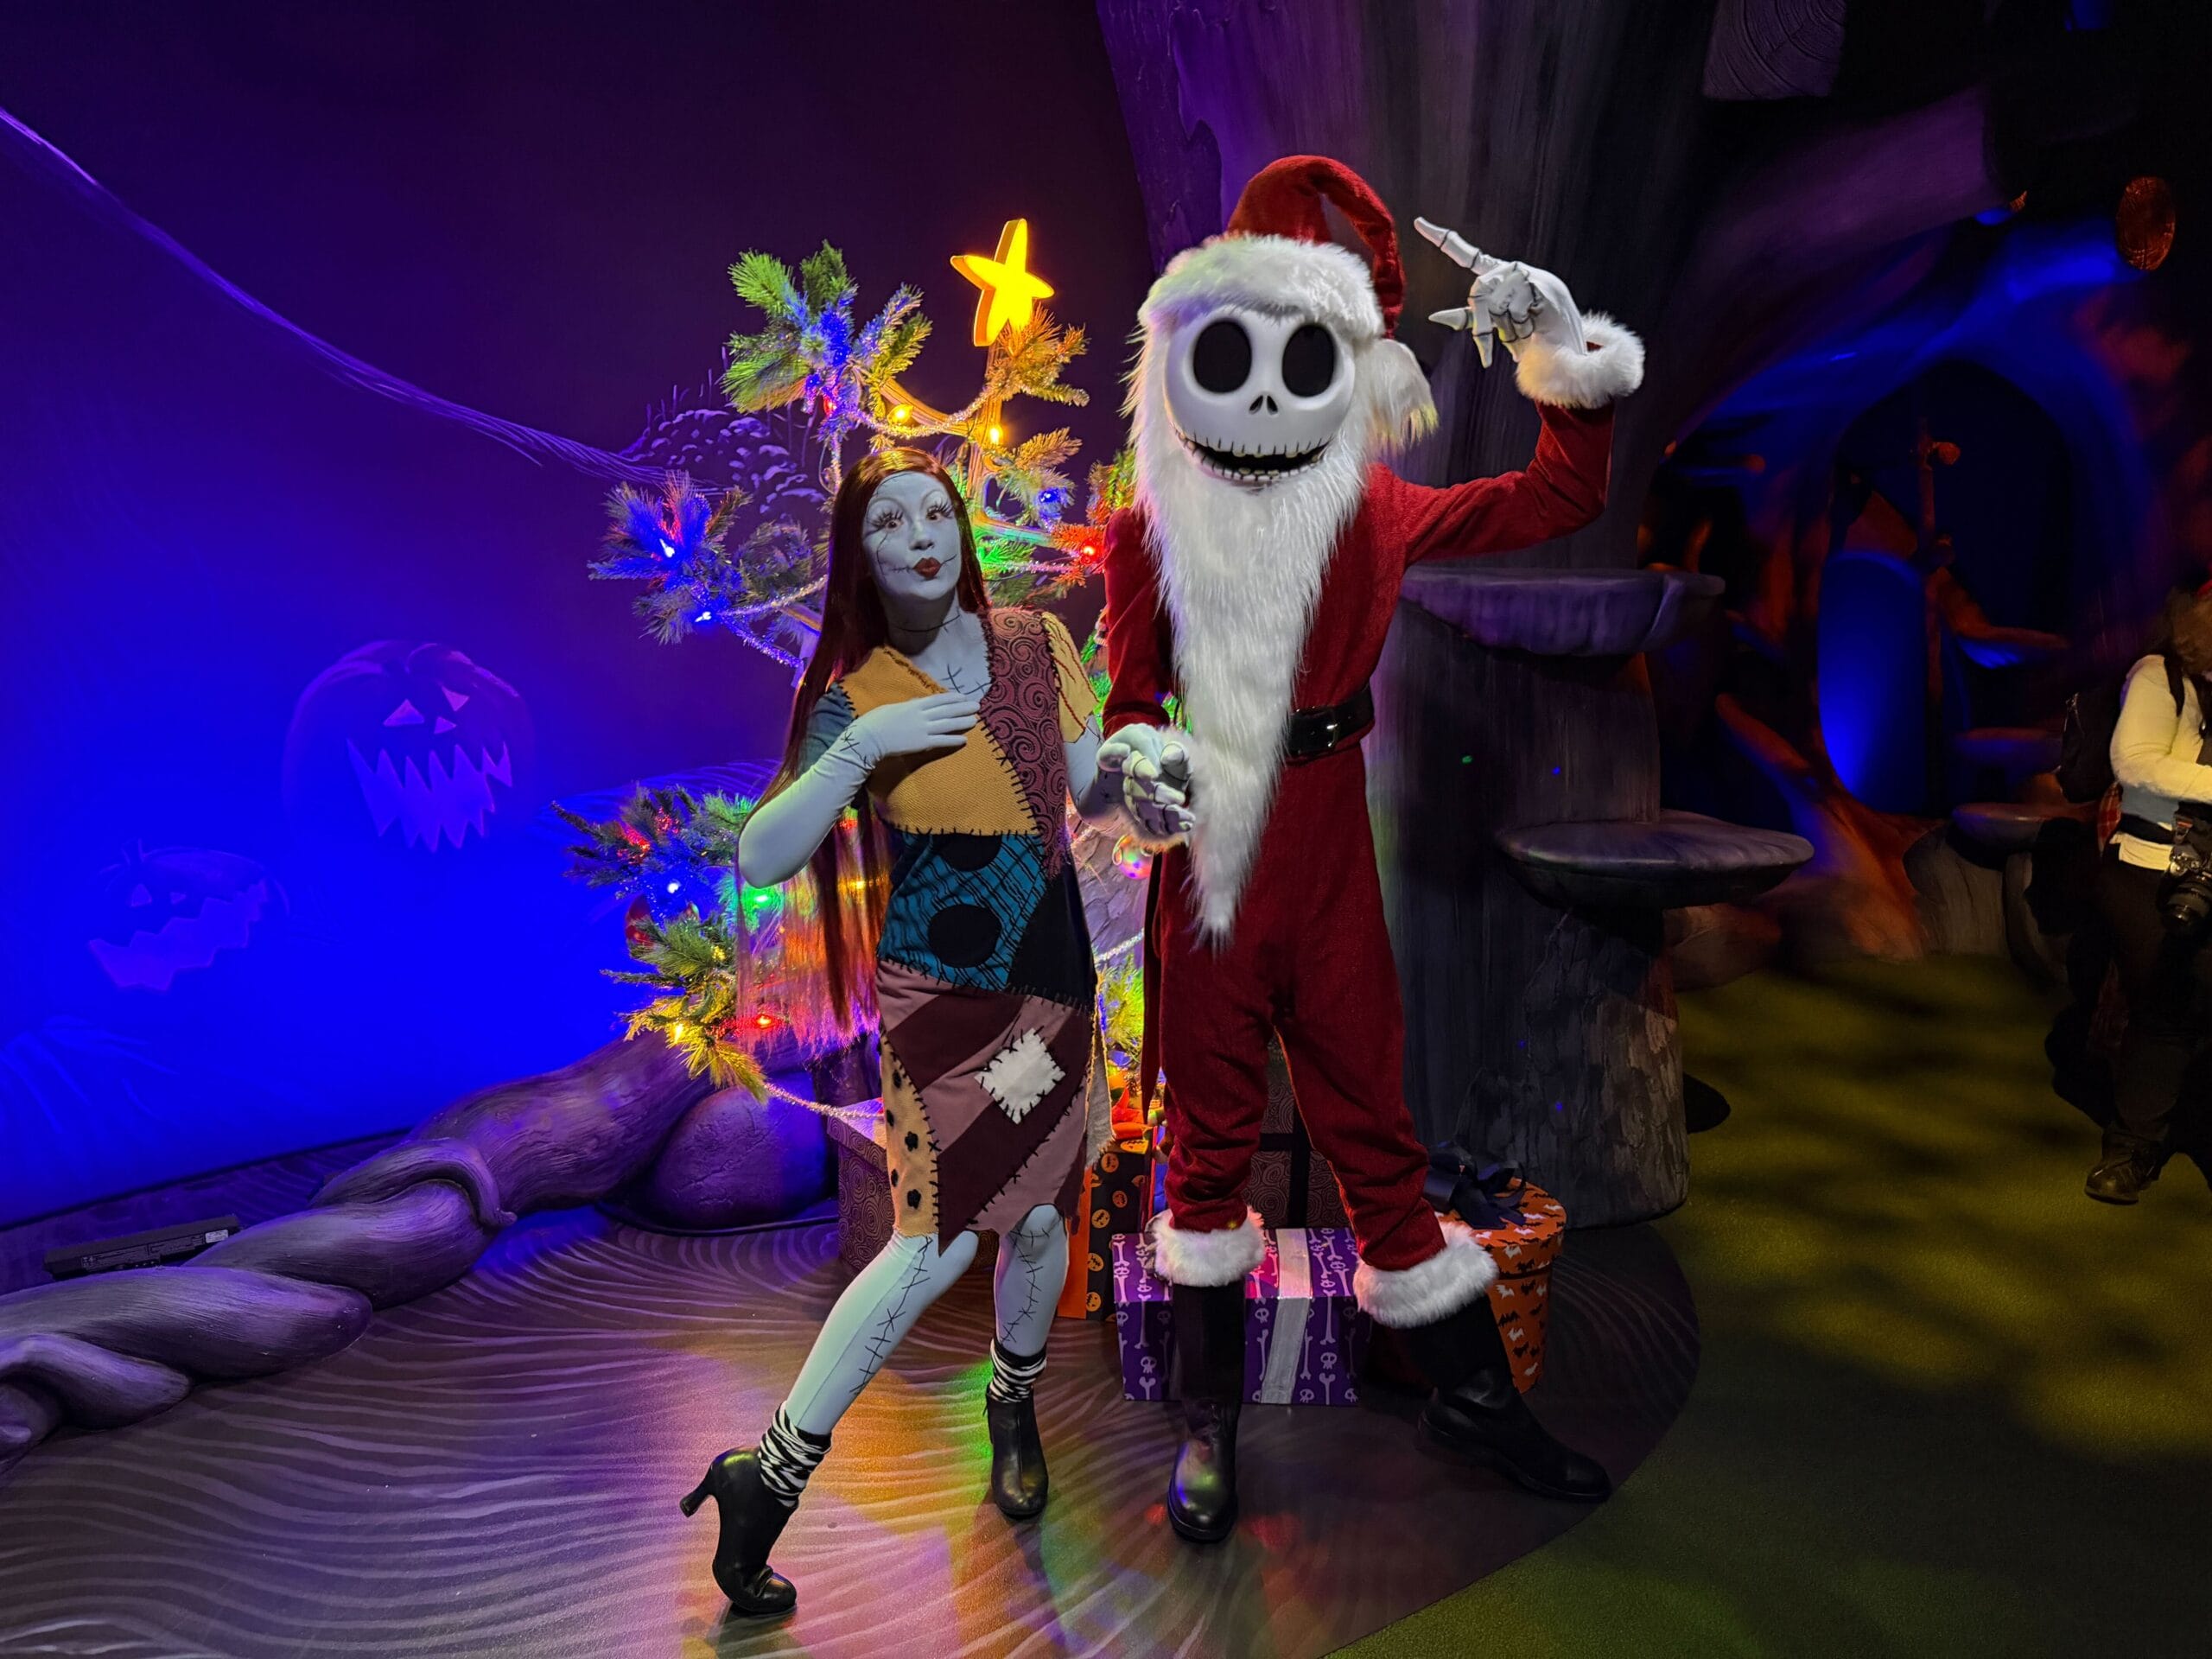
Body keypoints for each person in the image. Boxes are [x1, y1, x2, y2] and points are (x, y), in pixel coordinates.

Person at [1097, 156, 1639, 1542]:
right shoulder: (1147, 529)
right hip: (1216, 866)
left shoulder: (1378, 512)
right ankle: (1208, 1418)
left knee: (1377, 1139)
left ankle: (1474, 1401)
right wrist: (1140, 762)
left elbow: (1556, 499)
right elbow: (1131, 701)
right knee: (1206, 1151)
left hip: (1330, 852)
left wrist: (1557, 347)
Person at [682, 448, 1120, 1615]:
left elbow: (1095, 796)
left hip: (1053, 987)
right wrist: (863, 750)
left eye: (938, 513)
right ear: (861, 558)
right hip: (943, 1007)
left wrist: (1154, 784)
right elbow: (761, 855)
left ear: (962, 531)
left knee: (1040, 1221)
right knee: (934, 1246)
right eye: (891, 523)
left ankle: (1012, 1403)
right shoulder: (856, 694)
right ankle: (765, 1478)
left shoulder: (1036, 643)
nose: (922, 536)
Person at [2091, 583, 2212, 1203]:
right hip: (2152, 874)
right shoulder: (2159, 676)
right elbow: (2134, 762)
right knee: (2164, 1015)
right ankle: (2132, 1147)